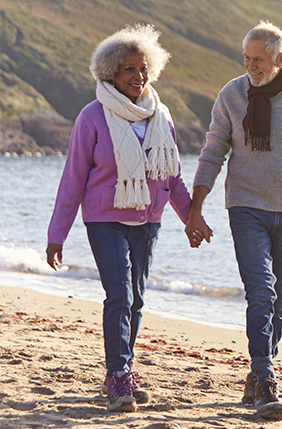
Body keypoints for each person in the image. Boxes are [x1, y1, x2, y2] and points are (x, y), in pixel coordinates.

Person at [185, 20, 282, 420]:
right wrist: (195, 207)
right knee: (261, 291)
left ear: (281, 58)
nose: (250, 66)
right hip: (246, 207)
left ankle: (257, 371)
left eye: (259, 59)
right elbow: (213, 151)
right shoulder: (232, 94)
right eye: (246, 58)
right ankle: (267, 381)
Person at [46, 24, 197, 413]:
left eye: (143, 68)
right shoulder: (92, 116)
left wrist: (191, 217)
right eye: (129, 69)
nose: (139, 76)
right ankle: (117, 375)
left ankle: (124, 369)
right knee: (120, 295)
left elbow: (172, 175)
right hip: (105, 219)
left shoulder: (160, 114)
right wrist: (56, 235)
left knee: (137, 299)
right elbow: (73, 178)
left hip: (148, 220)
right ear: (111, 72)